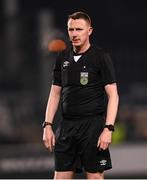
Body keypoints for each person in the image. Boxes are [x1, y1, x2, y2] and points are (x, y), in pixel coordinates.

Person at [43, 11, 119, 179]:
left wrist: (108, 128)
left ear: (89, 31)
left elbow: (113, 95)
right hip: (67, 128)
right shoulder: (62, 57)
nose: (75, 34)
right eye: (71, 29)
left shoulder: (100, 57)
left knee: (95, 177)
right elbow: (55, 93)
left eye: (79, 29)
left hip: (93, 128)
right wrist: (47, 125)